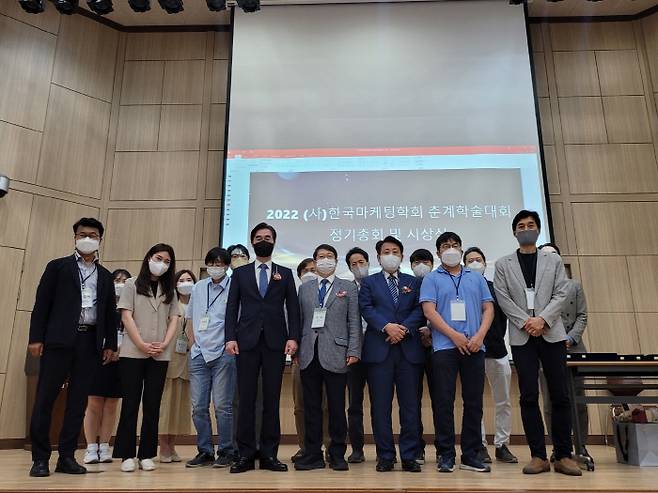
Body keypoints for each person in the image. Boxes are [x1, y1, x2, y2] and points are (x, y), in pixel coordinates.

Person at [493, 210, 581, 476]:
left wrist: (542, 319)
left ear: (539, 229)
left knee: (560, 395)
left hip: (551, 333)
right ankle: (538, 455)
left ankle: (564, 454)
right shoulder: (503, 264)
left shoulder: (552, 260)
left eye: (531, 225)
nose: (526, 229)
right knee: (529, 395)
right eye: (521, 226)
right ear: (514, 232)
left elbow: (562, 292)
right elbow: (503, 297)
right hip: (522, 336)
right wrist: (525, 322)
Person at [28, 218, 117, 477]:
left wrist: (109, 343)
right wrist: (36, 338)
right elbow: (42, 304)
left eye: (92, 234)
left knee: (78, 403)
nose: (87, 238)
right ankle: (40, 458)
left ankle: (66, 457)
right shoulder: (57, 267)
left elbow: (110, 313)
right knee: (45, 399)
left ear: (100, 239)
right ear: (75, 238)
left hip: (89, 343)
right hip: (58, 341)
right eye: (82, 234)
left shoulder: (105, 275)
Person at [225, 222, 300, 473]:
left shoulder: (285, 273)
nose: (263, 240)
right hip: (245, 343)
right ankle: (245, 454)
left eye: (267, 237)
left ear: (274, 241)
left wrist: (293, 337)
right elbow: (232, 308)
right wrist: (230, 337)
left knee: (271, 399)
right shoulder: (240, 273)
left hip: (275, 343)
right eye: (258, 237)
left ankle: (269, 454)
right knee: (245, 399)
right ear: (252, 242)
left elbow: (293, 309)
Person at [420, 232, 494, 474]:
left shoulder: (476, 277)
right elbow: (429, 312)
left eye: (454, 245)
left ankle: (471, 454)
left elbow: (488, 309)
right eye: (445, 246)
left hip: (475, 346)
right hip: (445, 348)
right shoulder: (432, 278)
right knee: (443, 402)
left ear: (461, 250)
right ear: (438, 251)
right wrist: (454, 335)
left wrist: (480, 336)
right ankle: (445, 454)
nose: (450, 249)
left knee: (473, 402)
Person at [359, 236, 425, 473]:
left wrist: (403, 329)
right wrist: (387, 326)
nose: (390, 255)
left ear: (402, 256)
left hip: (409, 351)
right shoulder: (369, 282)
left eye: (395, 251)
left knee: (410, 407)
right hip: (379, 351)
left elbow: (421, 309)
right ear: (378, 257)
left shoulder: (413, 282)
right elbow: (366, 308)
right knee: (380, 407)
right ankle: (385, 456)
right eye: (386, 251)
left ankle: (409, 455)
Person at [113, 244, 180, 473]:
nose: (162, 263)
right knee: (130, 403)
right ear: (149, 257)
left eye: (167, 261)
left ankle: (147, 454)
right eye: (158, 258)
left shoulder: (169, 288)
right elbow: (126, 315)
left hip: (160, 354)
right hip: (133, 351)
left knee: (152, 405)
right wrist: (141, 343)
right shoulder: (132, 284)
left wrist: (164, 343)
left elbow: (174, 319)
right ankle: (127, 454)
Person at [295, 244, 362, 471]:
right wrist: (295, 350)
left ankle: (337, 454)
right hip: (308, 353)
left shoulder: (347, 287)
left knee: (335, 407)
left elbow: (354, 322)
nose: (326, 260)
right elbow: (299, 321)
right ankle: (313, 454)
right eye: (321, 257)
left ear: (336, 261)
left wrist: (354, 351)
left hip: (337, 353)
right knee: (311, 407)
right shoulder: (305, 288)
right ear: (314, 262)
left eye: (329, 256)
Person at [463, 247, 518, 465]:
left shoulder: (497, 289)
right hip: (471, 351)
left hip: (497, 351)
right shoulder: (461, 289)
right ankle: (481, 445)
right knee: (475, 402)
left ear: (485, 264)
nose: (474, 263)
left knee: (503, 400)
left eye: (478, 259)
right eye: (470, 260)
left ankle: (502, 444)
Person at [538, 243, 591, 462]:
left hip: (573, 347)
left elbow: (582, 315)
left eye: (554, 255)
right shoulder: (536, 288)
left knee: (578, 399)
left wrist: (570, 337)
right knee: (550, 401)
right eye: (545, 256)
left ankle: (581, 446)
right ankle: (559, 447)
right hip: (547, 345)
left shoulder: (574, 286)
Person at [185, 248, 238, 468]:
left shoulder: (234, 288)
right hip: (198, 353)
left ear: (226, 266)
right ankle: (205, 451)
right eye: (212, 263)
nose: (216, 267)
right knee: (198, 406)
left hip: (223, 354)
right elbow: (189, 318)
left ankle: (227, 450)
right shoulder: (198, 288)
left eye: (220, 263)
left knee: (223, 406)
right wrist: (192, 345)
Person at [83, 268, 131, 465]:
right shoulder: (101, 304)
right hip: (99, 356)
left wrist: (120, 350)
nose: (120, 283)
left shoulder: (131, 307)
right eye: (117, 279)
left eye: (125, 280)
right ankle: (90, 447)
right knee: (93, 403)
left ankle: (104, 445)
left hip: (122, 358)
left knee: (112, 404)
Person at [291, 258, 329, 463]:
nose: (310, 273)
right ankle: (305, 447)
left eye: (314, 270)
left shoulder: (330, 292)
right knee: (300, 405)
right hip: (301, 356)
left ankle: (329, 447)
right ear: (299, 275)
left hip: (327, 355)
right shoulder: (295, 296)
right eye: (305, 270)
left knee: (327, 405)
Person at [158, 270, 195, 463]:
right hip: (169, 357)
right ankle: (163, 446)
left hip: (188, 360)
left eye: (189, 280)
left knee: (180, 406)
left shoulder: (199, 303)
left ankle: (172, 445)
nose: (186, 283)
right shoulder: (168, 302)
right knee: (166, 405)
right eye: (182, 280)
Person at [409, 248, 439, 464]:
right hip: (411, 348)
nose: (421, 265)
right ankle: (416, 447)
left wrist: (432, 329)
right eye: (417, 261)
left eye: (425, 261)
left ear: (432, 262)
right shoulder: (407, 285)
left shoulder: (440, 281)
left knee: (441, 401)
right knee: (413, 400)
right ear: (410, 265)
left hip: (438, 347)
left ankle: (442, 448)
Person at [345, 247, 370, 464]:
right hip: (354, 354)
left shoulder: (378, 285)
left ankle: (385, 449)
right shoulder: (345, 289)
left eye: (361, 262)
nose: (358, 266)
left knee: (381, 403)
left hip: (379, 351)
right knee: (354, 404)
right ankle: (357, 449)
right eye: (354, 264)